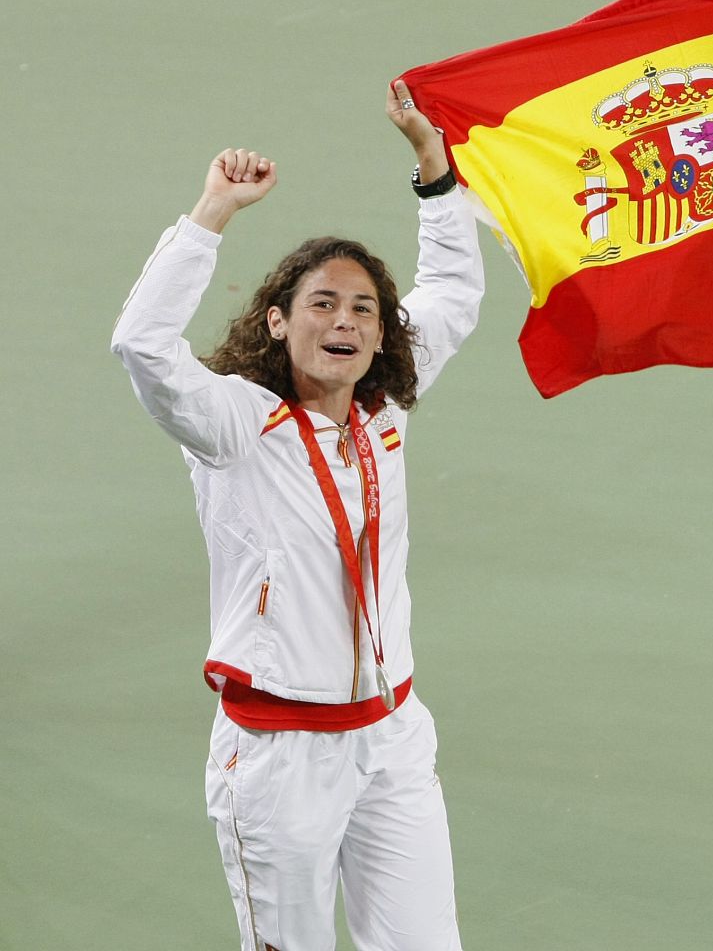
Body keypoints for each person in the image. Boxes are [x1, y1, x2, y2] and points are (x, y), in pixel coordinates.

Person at [111, 81, 485, 950]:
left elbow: (453, 294)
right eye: (322, 303)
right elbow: (142, 346)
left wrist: (435, 168)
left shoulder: (380, 413)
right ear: (277, 322)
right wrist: (211, 213)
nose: (345, 320)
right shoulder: (236, 423)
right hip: (280, 759)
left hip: (392, 741)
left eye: (363, 309)